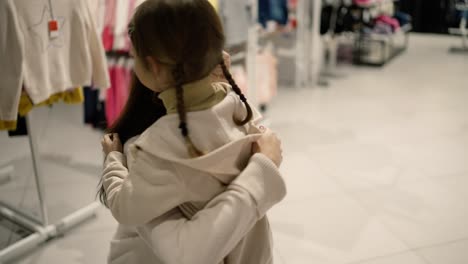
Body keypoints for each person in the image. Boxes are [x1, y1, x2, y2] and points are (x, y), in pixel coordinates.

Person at [99, 1, 286, 263]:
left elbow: (125, 208)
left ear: (153, 66)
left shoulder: (157, 149)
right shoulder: (242, 112)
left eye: (134, 57)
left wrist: (114, 161)